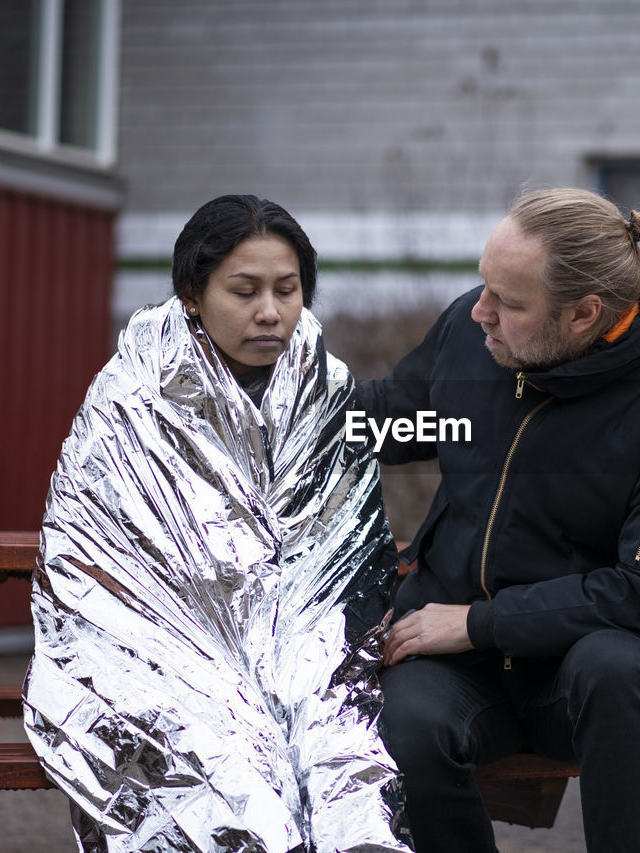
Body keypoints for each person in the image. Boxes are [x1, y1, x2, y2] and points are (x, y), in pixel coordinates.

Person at [23, 194, 412, 852]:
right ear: (193, 296)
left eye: (287, 290)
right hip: (156, 657)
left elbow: (345, 560)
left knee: (350, 784)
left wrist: (297, 660)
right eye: (245, 290)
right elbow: (91, 556)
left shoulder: (326, 391)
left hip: (310, 661)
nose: (270, 311)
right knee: (235, 799)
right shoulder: (130, 399)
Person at [356, 187, 640, 852]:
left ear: (585, 313)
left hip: (575, 673)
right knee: (404, 723)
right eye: (483, 285)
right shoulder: (473, 339)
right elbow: (381, 423)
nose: (480, 311)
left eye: (509, 302)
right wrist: (248, 388)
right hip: (456, 667)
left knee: (617, 667)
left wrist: (476, 622)